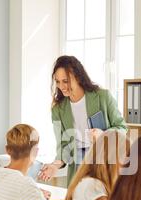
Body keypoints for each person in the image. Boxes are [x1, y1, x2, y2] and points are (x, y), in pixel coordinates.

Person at [38, 55, 127, 186]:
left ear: (78, 77)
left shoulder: (103, 97)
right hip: (78, 167)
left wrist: (103, 134)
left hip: (105, 163)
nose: (61, 86)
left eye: (66, 81)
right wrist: (54, 166)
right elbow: (63, 148)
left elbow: (122, 128)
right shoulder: (58, 110)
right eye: (57, 81)